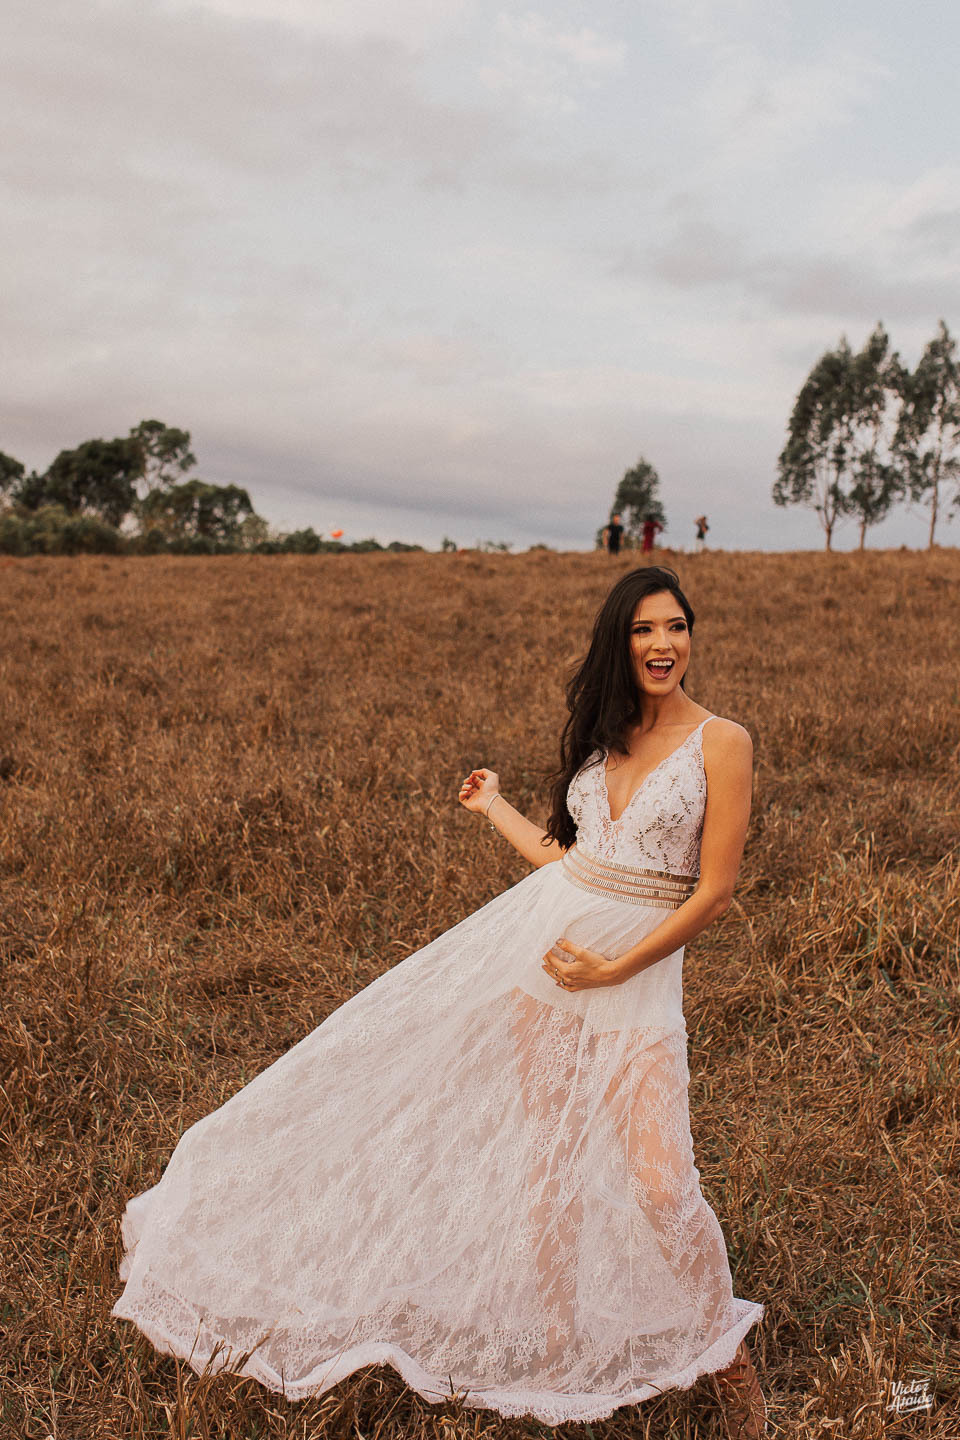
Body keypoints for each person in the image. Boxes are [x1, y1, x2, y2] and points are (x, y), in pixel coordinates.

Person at [111, 566, 768, 1437]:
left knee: (659, 1182)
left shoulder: (722, 741)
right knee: (548, 1167)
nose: (663, 645)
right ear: (620, 641)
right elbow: (572, 864)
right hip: (544, 967)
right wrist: (493, 805)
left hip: (634, 985)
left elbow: (712, 893)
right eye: (645, 630)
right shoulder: (604, 739)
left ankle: (728, 1367)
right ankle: (559, 1345)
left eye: (676, 627)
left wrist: (615, 970)